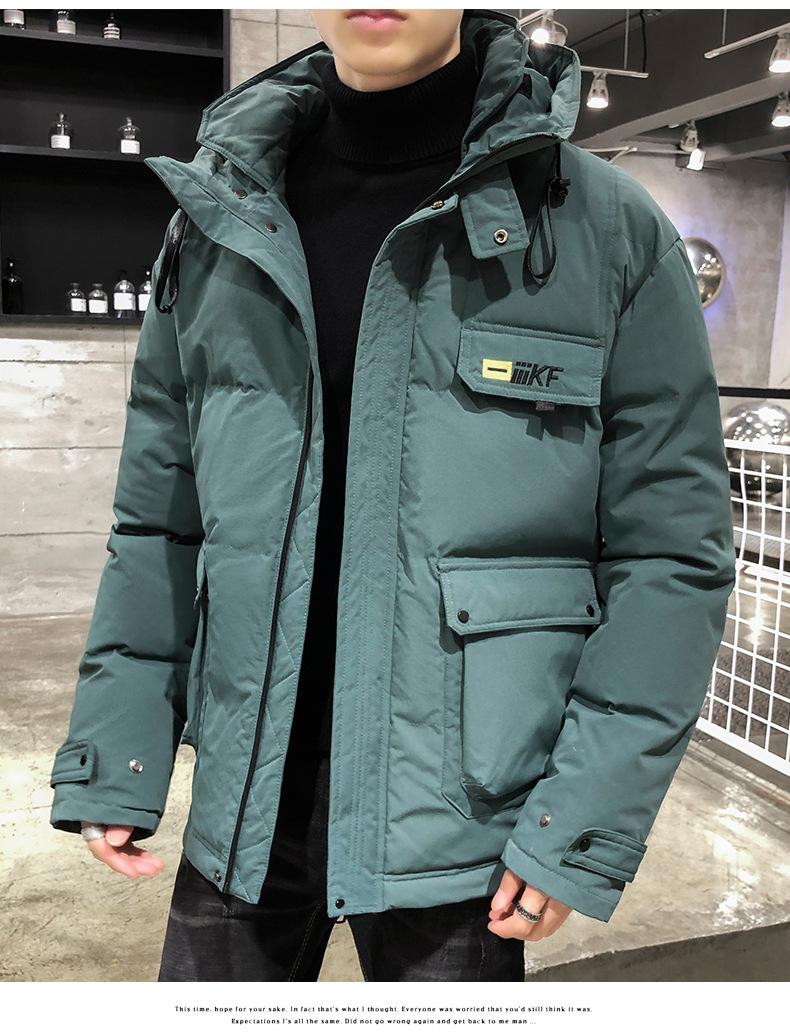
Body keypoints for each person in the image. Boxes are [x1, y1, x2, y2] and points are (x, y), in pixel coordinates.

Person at [49, 8, 735, 982]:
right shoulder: (215, 221)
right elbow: (160, 521)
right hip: (245, 807)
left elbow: (670, 553)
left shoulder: (606, 231)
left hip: (467, 833)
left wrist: (581, 814)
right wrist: (117, 746)